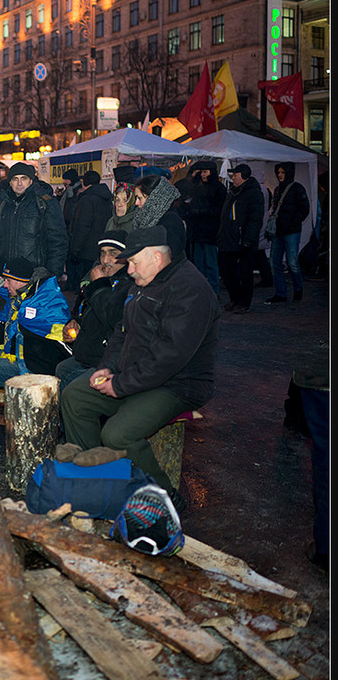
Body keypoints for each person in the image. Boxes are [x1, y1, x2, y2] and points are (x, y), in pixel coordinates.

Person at [60, 225, 220, 507]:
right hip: (137, 373)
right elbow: (123, 330)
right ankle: (101, 478)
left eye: (133, 262)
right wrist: (107, 367)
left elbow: (169, 356)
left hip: (177, 383)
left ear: (157, 258)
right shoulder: (144, 281)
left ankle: (163, 496)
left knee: (118, 433)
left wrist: (120, 385)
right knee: (75, 396)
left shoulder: (190, 290)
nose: (129, 269)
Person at [0, 257, 71, 405]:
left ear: (20, 281)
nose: (5, 285)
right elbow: (8, 330)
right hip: (16, 356)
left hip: (33, 367)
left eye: (8, 281)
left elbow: (58, 340)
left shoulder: (42, 303)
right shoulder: (23, 298)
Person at [55, 230, 132, 391]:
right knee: (61, 369)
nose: (105, 260)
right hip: (87, 353)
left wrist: (98, 285)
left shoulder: (129, 284)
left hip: (108, 360)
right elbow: (89, 312)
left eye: (113, 254)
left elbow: (112, 317)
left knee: (73, 391)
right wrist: (76, 323)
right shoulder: (103, 277)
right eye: (102, 253)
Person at [0, 162, 68, 280]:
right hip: (6, 274)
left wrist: (52, 274)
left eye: (23, 178)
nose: (19, 183)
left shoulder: (45, 203)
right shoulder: (1, 204)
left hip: (35, 273)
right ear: (10, 182)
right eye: (15, 179)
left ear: (31, 180)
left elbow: (58, 241)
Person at [217, 164, 265, 314]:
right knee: (227, 270)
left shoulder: (253, 193)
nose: (233, 177)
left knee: (245, 273)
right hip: (230, 239)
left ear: (243, 176)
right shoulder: (233, 192)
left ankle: (243, 302)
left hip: (243, 240)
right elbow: (225, 216)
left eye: (235, 175)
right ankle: (235, 299)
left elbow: (255, 219)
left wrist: (248, 239)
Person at [177, 161, 226, 295]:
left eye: (205, 172)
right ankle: (200, 290)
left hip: (210, 231)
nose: (203, 175)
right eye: (202, 172)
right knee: (198, 263)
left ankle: (213, 291)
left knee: (210, 263)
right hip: (197, 230)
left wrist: (200, 210)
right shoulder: (198, 186)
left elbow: (220, 210)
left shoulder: (219, 188)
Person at [265, 161, 311, 305]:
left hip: (291, 231)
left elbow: (305, 208)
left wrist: (293, 221)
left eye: (282, 172)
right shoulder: (278, 189)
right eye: (278, 172)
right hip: (280, 231)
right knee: (275, 262)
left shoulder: (297, 188)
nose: (279, 175)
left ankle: (297, 289)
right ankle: (281, 293)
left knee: (292, 262)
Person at [66, 170, 113, 291]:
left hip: (86, 249)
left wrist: (75, 248)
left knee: (85, 286)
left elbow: (82, 226)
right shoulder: (106, 198)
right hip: (100, 247)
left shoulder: (87, 199)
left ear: (84, 182)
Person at [131, 174, 187, 260]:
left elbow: (172, 256)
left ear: (154, 199)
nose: (136, 203)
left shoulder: (170, 221)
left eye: (140, 198)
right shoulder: (145, 218)